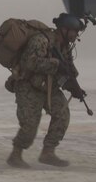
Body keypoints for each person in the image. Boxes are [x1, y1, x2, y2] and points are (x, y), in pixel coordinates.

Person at [6, 13, 84, 169]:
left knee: (62, 115)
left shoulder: (65, 48)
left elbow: (67, 71)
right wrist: (55, 64)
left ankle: (48, 152)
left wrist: (74, 88)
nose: (76, 35)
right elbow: (30, 63)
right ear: (64, 29)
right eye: (73, 31)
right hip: (29, 87)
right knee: (29, 126)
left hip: (49, 87)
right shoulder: (41, 40)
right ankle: (15, 154)